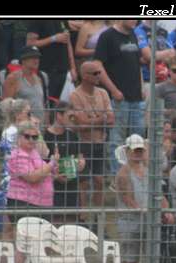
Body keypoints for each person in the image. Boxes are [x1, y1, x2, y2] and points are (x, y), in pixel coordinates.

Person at [6, 119, 58, 263]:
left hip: (42, 205)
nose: (31, 140)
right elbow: (33, 177)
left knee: (41, 245)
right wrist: (51, 164)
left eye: (35, 137)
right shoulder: (17, 155)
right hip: (23, 204)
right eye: (27, 136)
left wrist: (57, 168)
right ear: (19, 137)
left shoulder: (35, 154)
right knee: (23, 246)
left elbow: (46, 174)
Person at [68, 59, 114, 208]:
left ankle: (97, 216)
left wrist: (90, 121)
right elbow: (81, 123)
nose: (99, 75)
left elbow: (111, 119)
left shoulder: (103, 93)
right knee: (83, 182)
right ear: (85, 76)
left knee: (99, 181)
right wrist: (102, 118)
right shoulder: (75, 95)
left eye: (99, 72)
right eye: (95, 73)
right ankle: (82, 215)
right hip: (83, 144)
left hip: (100, 143)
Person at [93, 19, 145, 151]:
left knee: (138, 140)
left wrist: (142, 86)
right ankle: (115, 166)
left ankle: (134, 165)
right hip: (118, 99)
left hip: (136, 97)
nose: (135, 21)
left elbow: (137, 63)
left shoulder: (133, 34)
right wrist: (114, 90)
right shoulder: (107, 36)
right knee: (116, 140)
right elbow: (97, 65)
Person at [114, 134, 149, 263]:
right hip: (129, 220)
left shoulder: (147, 170)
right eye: (135, 150)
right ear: (127, 151)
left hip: (146, 219)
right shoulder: (123, 173)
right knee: (129, 259)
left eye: (140, 150)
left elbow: (158, 193)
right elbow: (128, 199)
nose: (138, 153)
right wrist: (144, 210)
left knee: (142, 257)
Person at [42, 101, 86, 225]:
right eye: (69, 116)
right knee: (54, 224)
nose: (72, 120)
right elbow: (40, 164)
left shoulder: (72, 135)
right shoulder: (45, 137)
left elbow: (80, 157)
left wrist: (81, 163)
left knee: (71, 224)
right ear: (58, 115)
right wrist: (54, 175)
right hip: (52, 187)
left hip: (71, 185)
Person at [3, 46, 48, 124]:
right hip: (22, 126)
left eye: (37, 57)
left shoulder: (39, 79)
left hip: (39, 125)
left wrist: (46, 123)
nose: (36, 60)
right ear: (23, 60)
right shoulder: (13, 78)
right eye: (32, 57)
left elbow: (42, 104)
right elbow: (6, 105)